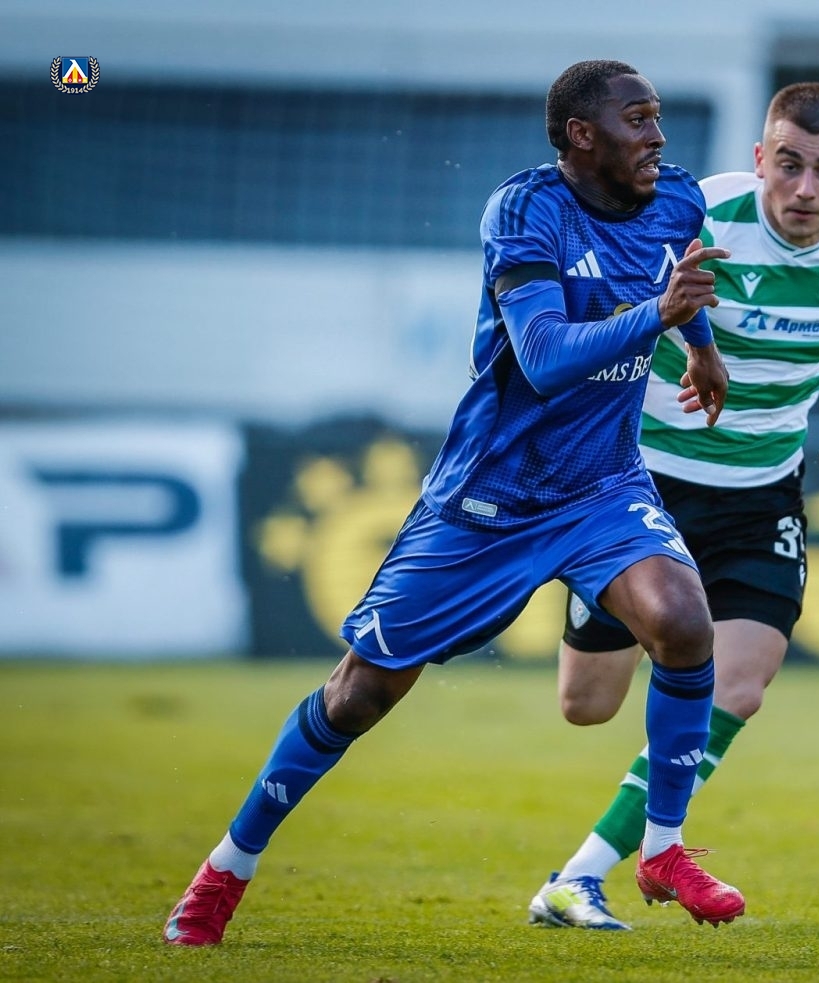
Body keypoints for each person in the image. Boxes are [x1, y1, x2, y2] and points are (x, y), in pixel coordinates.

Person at [162, 59, 747, 946]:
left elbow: (679, 275)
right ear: (581, 135)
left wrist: (700, 345)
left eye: (658, 116)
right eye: (639, 119)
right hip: (491, 499)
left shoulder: (677, 200)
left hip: (601, 485)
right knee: (361, 694)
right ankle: (225, 868)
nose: (658, 136)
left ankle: (662, 849)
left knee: (683, 621)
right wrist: (661, 319)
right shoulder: (526, 211)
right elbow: (544, 358)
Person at [526, 81, 819, 930]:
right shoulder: (698, 216)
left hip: (762, 492)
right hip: (643, 483)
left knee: (740, 683)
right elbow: (618, 303)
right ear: (761, 157)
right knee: (587, 703)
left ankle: (581, 875)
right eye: (789, 164)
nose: (804, 188)